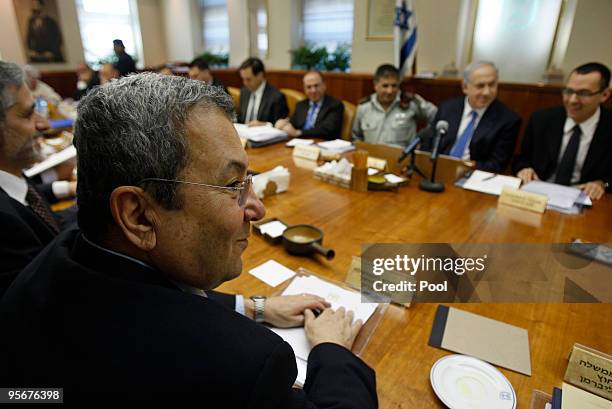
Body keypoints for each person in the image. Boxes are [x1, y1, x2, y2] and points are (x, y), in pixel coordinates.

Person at [0, 73, 378, 407]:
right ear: (138, 215)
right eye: (233, 186)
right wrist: (331, 350)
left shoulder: (54, 260)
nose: (257, 208)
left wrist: (258, 307)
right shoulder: (242, 365)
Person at [0, 62, 75, 296]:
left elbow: (39, 212)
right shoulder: (4, 225)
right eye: (27, 114)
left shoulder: (13, 177)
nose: (43, 124)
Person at [513, 62, 611, 200]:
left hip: (585, 201)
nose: (572, 100)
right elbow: (521, 159)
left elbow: (609, 180)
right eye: (569, 91)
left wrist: (602, 184)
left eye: (583, 93)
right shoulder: (541, 119)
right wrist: (524, 169)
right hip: (537, 196)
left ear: (604, 95)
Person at [421, 61, 521, 173]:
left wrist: (462, 166)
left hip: (474, 176)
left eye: (492, 85)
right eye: (480, 86)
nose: (487, 92)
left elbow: (497, 164)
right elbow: (428, 145)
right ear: (465, 87)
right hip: (438, 171)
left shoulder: (508, 120)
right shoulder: (447, 108)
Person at [352, 64, 437, 147]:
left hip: (402, 159)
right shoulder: (364, 107)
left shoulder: (411, 102)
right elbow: (356, 137)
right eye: (385, 86)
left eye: (394, 86)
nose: (390, 91)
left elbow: (437, 116)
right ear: (375, 85)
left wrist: (424, 139)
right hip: (373, 159)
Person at [275, 71, 344, 140]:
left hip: (323, 144)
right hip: (300, 143)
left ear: (324, 85)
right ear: (304, 89)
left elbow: (328, 130)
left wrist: (299, 132)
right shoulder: (301, 105)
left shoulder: (335, 105)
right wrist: (284, 124)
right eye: (309, 87)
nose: (313, 90)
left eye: (316, 85)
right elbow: (293, 125)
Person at [238, 57, 288, 125]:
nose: (245, 83)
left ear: (260, 75)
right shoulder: (244, 92)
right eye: (243, 79)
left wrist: (264, 124)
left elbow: (281, 125)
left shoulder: (276, 97)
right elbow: (241, 119)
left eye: (248, 79)